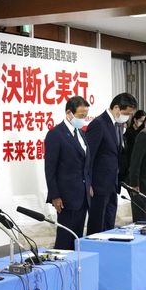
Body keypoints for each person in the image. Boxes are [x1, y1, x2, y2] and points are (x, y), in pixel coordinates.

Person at [86, 92, 138, 234]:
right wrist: (88, 183)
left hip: (112, 184)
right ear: (116, 108)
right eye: (126, 113)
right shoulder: (98, 124)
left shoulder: (117, 125)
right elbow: (89, 157)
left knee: (109, 221)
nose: (127, 117)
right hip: (98, 184)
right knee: (97, 223)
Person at [44, 96, 90, 250]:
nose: (83, 119)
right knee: (65, 237)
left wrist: (88, 184)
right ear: (69, 113)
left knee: (77, 237)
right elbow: (50, 169)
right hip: (65, 196)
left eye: (85, 116)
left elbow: (85, 164)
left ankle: (74, 268)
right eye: (81, 116)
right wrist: (55, 196)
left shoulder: (82, 134)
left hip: (82, 195)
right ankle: (60, 269)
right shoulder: (55, 134)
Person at [122, 110, 146, 181]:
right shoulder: (127, 132)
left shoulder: (143, 133)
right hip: (129, 163)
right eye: (141, 121)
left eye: (143, 122)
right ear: (135, 120)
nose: (142, 124)